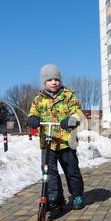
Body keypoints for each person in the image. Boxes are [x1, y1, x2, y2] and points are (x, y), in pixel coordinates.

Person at [27, 64, 85, 210]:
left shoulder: (68, 95)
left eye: (56, 79)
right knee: (49, 171)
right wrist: (32, 118)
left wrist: (71, 120)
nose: (54, 82)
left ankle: (77, 194)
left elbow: (78, 112)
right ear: (43, 82)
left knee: (71, 170)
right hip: (48, 141)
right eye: (50, 79)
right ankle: (55, 196)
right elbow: (32, 113)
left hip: (66, 141)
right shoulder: (38, 99)